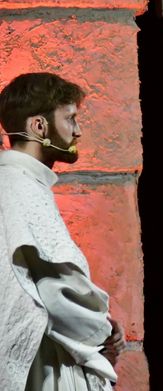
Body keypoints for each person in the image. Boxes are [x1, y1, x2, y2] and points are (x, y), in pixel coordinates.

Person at [0, 73, 126, 390]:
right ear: (39, 126)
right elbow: (56, 290)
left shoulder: (17, 183)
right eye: (70, 119)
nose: (77, 130)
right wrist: (102, 330)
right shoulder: (21, 186)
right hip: (47, 368)